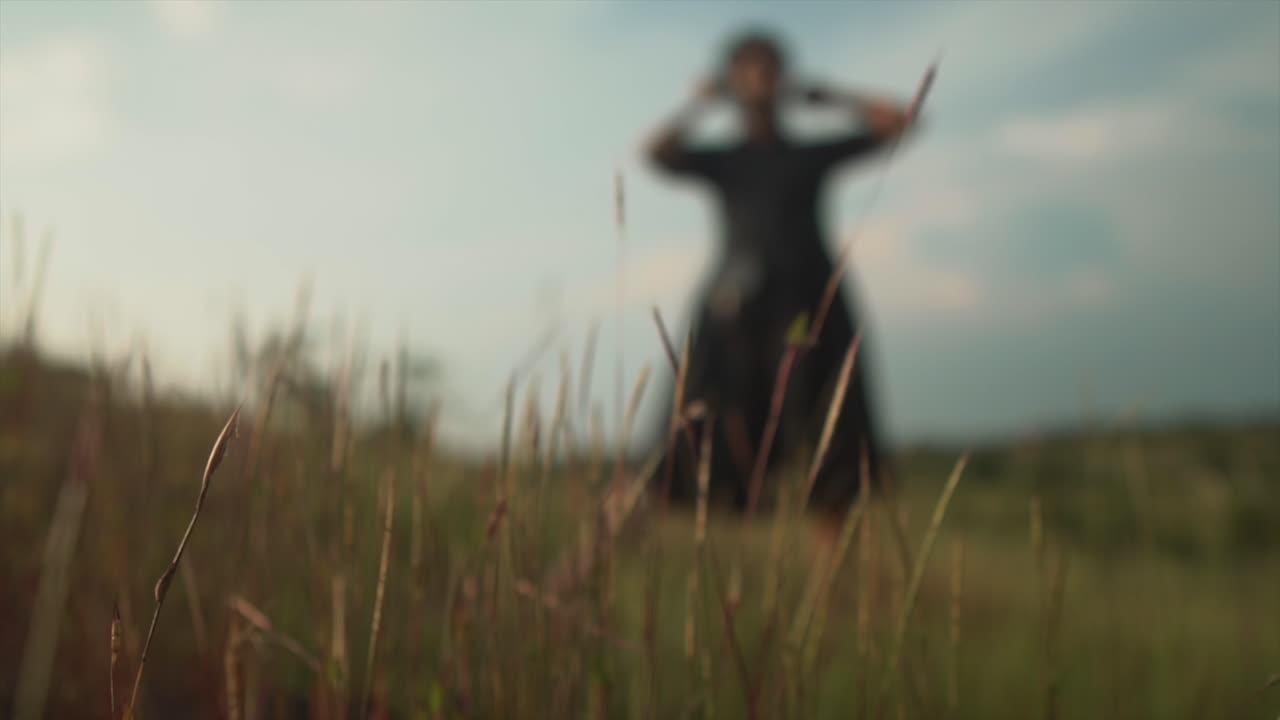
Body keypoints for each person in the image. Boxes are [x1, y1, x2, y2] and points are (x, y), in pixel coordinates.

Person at [644, 29, 922, 523]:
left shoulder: (808, 155)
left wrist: (829, 96)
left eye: (770, 67)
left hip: (812, 297)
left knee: (830, 428)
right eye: (748, 68)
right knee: (703, 422)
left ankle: (827, 569)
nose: (761, 78)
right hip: (735, 304)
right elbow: (656, 154)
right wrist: (701, 105)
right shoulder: (725, 159)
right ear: (733, 79)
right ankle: (714, 533)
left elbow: (901, 123)